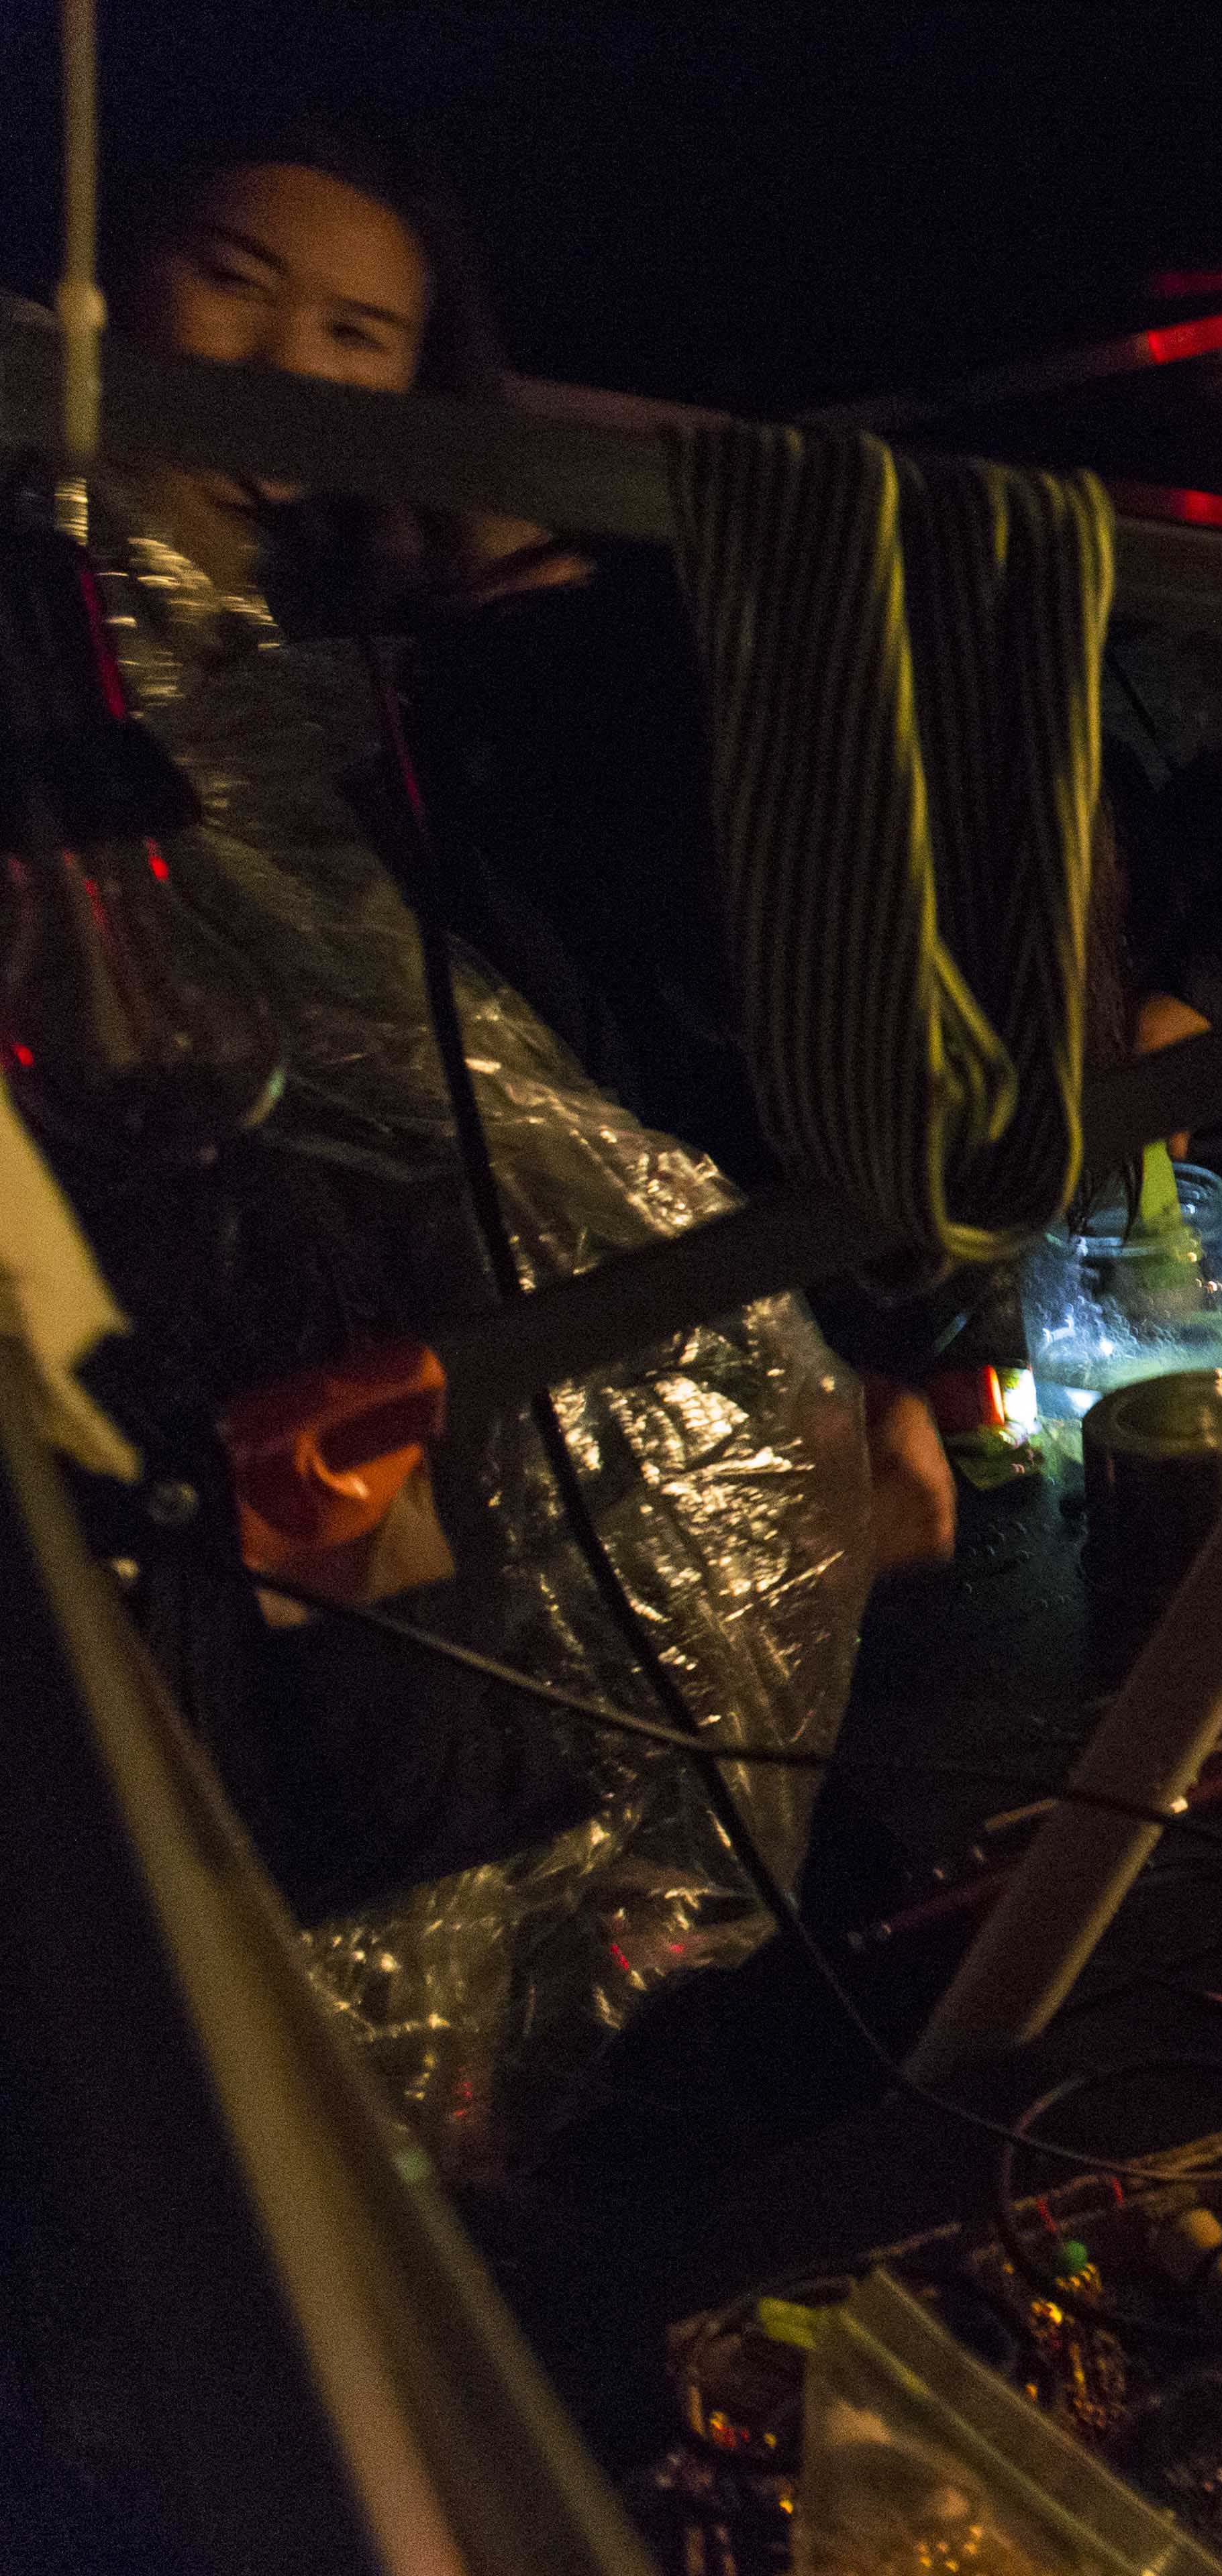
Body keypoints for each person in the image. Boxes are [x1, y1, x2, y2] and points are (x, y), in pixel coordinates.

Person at [22, 133, 897, 2168]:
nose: (281, 368)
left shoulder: (344, 673)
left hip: (414, 1405)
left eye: (359, 338)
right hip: (247, 1398)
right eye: (233, 279)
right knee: (373, 1865)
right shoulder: (62, 635)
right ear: (97, 282)